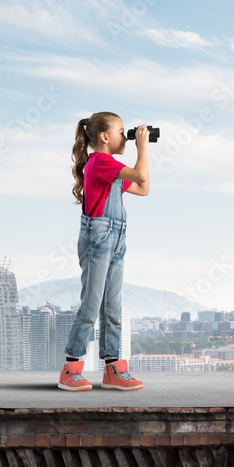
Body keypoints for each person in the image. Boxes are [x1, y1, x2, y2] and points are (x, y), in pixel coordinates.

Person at [59, 112, 150, 391]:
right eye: (123, 132)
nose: (127, 137)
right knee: (91, 305)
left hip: (116, 239)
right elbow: (140, 174)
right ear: (104, 137)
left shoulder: (111, 169)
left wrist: (140, 150)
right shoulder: (100, 162)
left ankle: (112, 370)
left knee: (112, 308)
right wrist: (142, 148)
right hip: (99, 238)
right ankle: (70, 369)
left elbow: (143, 189)